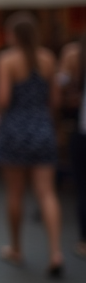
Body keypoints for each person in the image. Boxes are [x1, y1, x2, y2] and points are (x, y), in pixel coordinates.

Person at [0, 13, 63, 278]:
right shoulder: (47, 59)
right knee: (47, 193)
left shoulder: (7, 60)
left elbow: (3, 99)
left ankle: (17, 248)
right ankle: (55, 251)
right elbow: (54, 101)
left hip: (15, 129)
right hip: (42, 127)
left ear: (13, 35)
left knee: (15, 193)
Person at [58, 36, 86, 259]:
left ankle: (84, 240)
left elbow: (61, 85)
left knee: (83, 186)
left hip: (82, 128)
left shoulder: (73, 54)